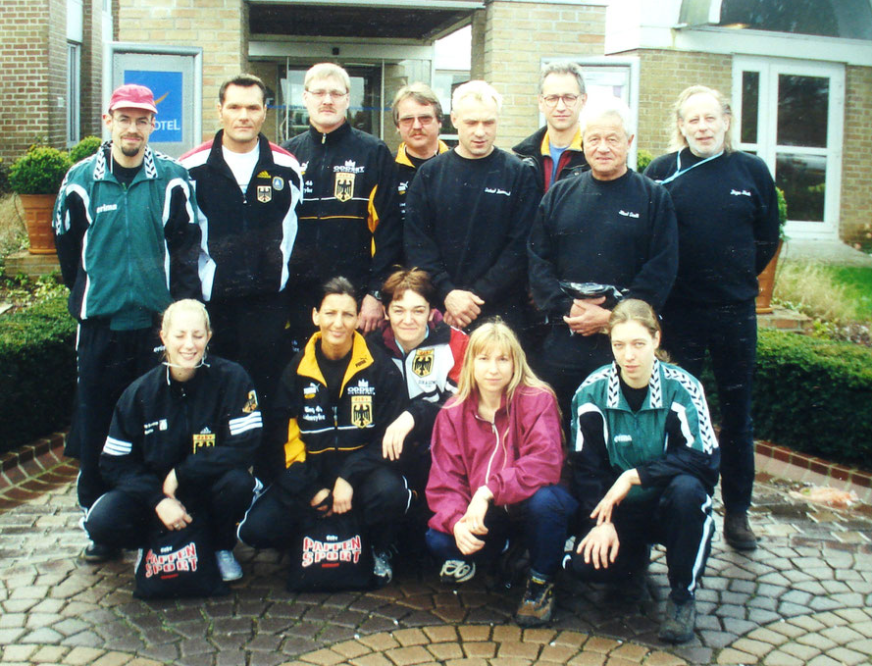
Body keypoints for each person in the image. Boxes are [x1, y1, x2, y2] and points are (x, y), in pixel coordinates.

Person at [53, 83, 202, 562]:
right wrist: (97, 293)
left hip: (155, 329)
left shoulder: (173, 178)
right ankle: (102, 523)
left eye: (142, 119)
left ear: (153, 124)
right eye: (124, 118)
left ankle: (164, 516)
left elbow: (187, 249)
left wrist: (179, 313)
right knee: (97, 425)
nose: (132, 128)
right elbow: (69, 255)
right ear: (108, 121)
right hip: (102, 328)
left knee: (161, 426)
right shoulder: (80, 180)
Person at [644, 86, 779, 551]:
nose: (702, 127)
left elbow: (766, 239)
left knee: (737, 415)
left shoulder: (751, 171)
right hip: (679, 314)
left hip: (734, 314)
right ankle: (672, 509)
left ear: (726, 121)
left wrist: (734, 279)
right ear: (681, 125)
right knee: (672, 414)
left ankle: (737, 512)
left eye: (710, 118)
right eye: (693, 120)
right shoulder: (662, 171)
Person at [238, 277, 411, 585]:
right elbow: (282, 445)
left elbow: (387, 440)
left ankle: (377, 546)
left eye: (347, 314)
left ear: (358, 319)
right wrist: (311, 490)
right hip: (312, 476)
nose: (338, 323)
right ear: (315, 316)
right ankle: (311, 536)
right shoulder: (295, 371)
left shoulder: (380, 368)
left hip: (361, 477)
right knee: (256, 530)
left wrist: (349, 477)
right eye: (330, 313)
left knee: (390, 493)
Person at [565, 299, 719, 644]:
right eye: (619, 345)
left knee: (689, 492)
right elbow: (586, 468)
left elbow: (704, 460)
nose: (628, 355)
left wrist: (635, 475)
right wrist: (601, 523)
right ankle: (632, 554)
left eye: (638, 343)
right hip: (621, 510)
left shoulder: (683, 388)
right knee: (586, 568)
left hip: (668, 505)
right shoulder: (591, 392)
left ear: (656, 339)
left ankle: (682, 596)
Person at [83, 300, 261, 582]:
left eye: (197, 335)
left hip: (207, 487)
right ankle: (150, 545)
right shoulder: (140, 392)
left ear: (209, 336)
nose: (189, 345)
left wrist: (182, 473)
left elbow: (245, 446)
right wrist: (156, 499)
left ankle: (220, 547)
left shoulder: (232, 378)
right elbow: (114, 463)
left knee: (239, 483)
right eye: (179, 335)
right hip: (157, 495)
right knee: (101, 523)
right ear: (164, 337)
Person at [180, 74, 303, 483]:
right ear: (220, 110)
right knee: (213, 401)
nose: (243, 116)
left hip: (268, 308)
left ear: (265, 112)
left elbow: (297, 237)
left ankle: (266, 486)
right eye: (234, 107)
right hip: (215, 309)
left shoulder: (287, 167)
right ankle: (216, 487)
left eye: (253, 107)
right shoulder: (191, 168)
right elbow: (182, 244)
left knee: (267, 399)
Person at [528, 96, 678, 423]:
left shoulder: (653, 198)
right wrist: (565, 308)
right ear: (584, 142)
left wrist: (612, 318)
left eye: (613, 139)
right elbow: (538, 260)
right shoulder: (560, 195)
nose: (603, 147)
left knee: (619, 428)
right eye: (594, 139)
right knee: (557, 426)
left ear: (629, 141)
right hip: (563, 339)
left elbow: (661, 268)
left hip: (623, 345)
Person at [426, 320, 577, 627]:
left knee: (546, 502)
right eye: (484, 358)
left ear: (515, 362)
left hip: (536, 504)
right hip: (493, 513)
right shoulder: (452, 411)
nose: (493, 369)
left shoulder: (537, 398)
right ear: (470, 363)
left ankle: (541, 582)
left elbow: (544, 462)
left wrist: (488, 491)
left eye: (502, 359)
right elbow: (445, 480)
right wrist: (456, 522)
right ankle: (507, 553)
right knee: (439, 540)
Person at [404, 80, 540, 333]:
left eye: (488, 123)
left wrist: (474, 298)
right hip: (442, 311)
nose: (480, 132)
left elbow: (520, 247)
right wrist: (447, 293)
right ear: (454, 120)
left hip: (500, 314)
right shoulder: (430, 174)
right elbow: (418, 244)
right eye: (471, 123)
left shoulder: (518, 174)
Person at [282, 63, 402, 344]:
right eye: (319, 93)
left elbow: (389, 232)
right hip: (299, 297)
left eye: (336, 94)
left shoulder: (373, 152)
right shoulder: (287, 155)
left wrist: (375, 294)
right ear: (305, 97)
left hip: (356, 297)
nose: (327, 100)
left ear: (348, 99)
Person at [366, 268, 468, 497]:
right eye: (399, 310)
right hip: (386, 449)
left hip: (439, 447)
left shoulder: (455, 342)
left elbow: (461, 402)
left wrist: (414, 415)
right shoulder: (369, 348)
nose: (408, 320)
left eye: (418, 311)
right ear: (385, 312)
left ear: (431, 312)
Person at [513, 61, 589, 194]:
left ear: (583, 101)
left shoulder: (594, 157)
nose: (560, 107)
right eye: (552, 98)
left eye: (569, 98)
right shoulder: (522, 158)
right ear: (540, 102)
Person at [392, 83, 450, 223]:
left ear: (439, 122)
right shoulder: (385, 168)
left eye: (425, 118)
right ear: (398, 125)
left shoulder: (458, 166)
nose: (417, 126)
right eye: (407, 119)